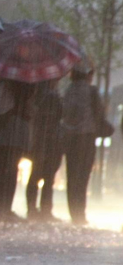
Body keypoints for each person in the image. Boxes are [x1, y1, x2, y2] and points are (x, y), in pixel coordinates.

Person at [0, 74, 36, 222]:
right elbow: (25, 97)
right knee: (8, 170)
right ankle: (2, 209)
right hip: (11, 126)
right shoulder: (19, 75)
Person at [61, 59, 101, 225]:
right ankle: (80, 214)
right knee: (83, 176)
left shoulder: (68, 90)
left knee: (72, 175)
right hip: (86, 137)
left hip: (70, 138)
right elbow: (99, 115)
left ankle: (74, 212)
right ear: (88, 75)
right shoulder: (92, 91)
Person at [26, 80, 64, 221]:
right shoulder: (51, 96)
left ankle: (33, 208)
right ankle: (43, 210)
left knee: (37, 175)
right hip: (49, 141)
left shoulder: (39, 95)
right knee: (46, 177)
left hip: (41, 140)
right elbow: (57, 116)